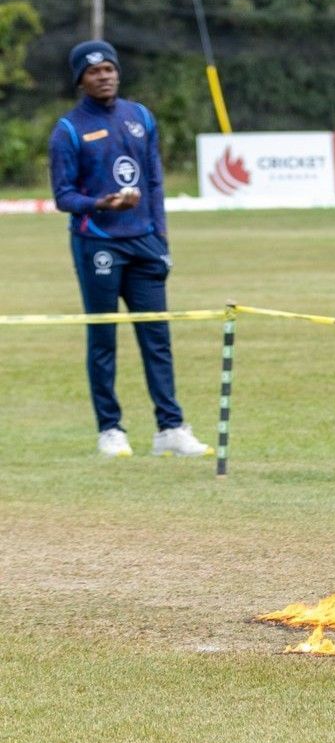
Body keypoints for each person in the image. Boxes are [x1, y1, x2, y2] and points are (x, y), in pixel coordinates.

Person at [49, 40, 211, 459]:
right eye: (94, 71)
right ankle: (110, 430)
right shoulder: (69, 130)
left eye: (110, 68)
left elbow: (154, 182)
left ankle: (170, 428)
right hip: (98, 244)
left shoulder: (140, 117)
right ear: (81, 80)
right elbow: (63, 196)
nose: (104, 76)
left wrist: (161, 237)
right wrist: (100, 204)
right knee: (103, 338)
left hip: (144, 244)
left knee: (157, 338)